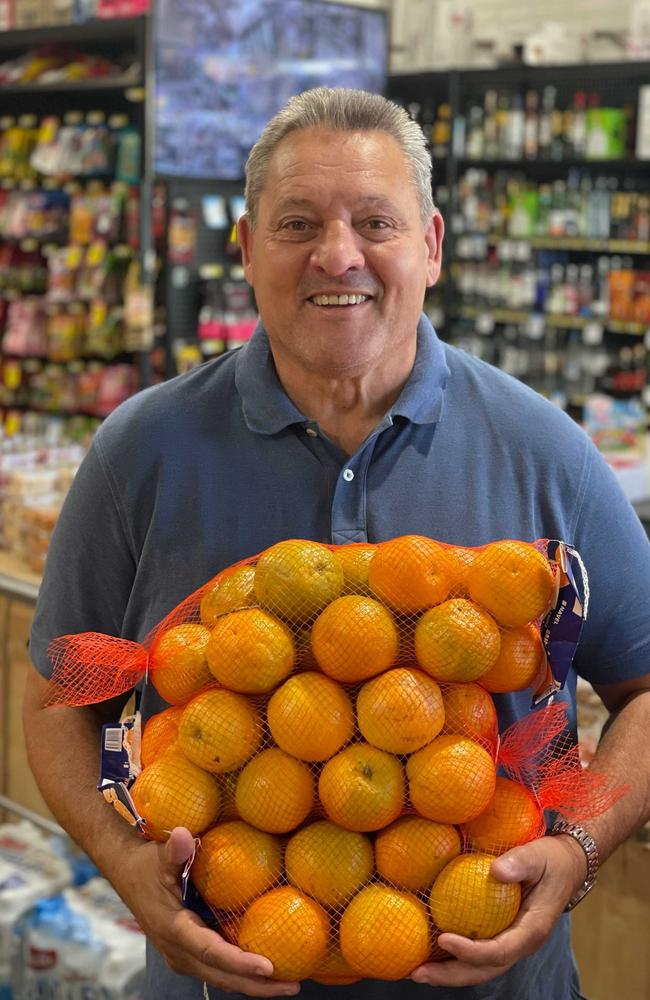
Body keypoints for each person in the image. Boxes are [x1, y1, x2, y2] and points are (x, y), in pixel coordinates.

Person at [23, 87, 650, 1000]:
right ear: (244, 250)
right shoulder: (141, 450)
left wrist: (579, 849)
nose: (338, 254)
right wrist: (128, 868)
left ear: (431, 246)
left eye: (374, 221)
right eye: (297, 222)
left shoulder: (543, 448)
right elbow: (58, 699)